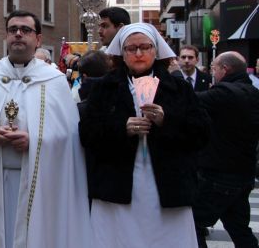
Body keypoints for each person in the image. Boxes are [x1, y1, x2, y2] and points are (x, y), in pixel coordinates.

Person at [0, 10, 91, 248]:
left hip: (40, 184)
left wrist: (34, 141)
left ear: (38, 39)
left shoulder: (53, 81)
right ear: (6, 36)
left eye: (25, 30)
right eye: (13, 29)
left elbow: (69, 138)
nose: (18, 34)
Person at [79, 22, 210, 248]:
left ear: (155, 50)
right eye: (131, 48)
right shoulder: (104, 88)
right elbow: (87, 134)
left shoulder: (178, 88)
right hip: (117, 183)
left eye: (145, 47)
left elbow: (201, 133)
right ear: (122, 52)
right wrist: (122, 128)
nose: (138, 53)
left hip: (168, 185)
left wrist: (166, 120)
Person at [192, 51, 259, 248]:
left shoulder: (225, 93)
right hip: (243, 173)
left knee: (192, 223)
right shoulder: (253, 92)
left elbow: (191, 102)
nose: (213, 72)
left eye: (214, 68)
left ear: (225, 69)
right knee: (239, 228)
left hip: (219, 175)